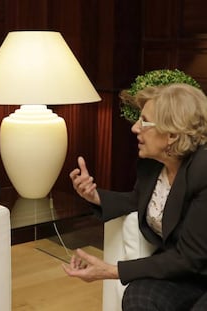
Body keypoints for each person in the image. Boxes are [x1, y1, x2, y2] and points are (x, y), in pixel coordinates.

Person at [65, 83, 207, 310]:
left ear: (171, 134)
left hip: (195, 266)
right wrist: (94, 196)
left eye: (144, 121)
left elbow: (190, 257)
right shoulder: (152, 165)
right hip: (188, 275)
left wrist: (112, 270)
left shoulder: (203, 170)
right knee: (138, 296)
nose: (134, 128)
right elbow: (139, 201)